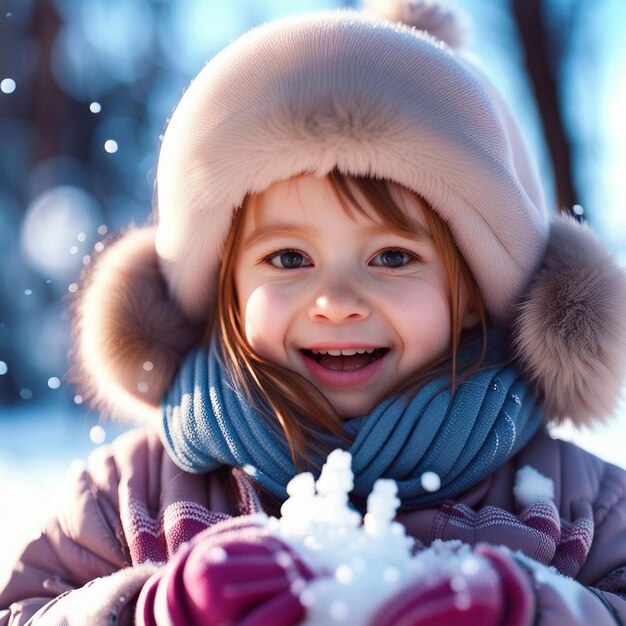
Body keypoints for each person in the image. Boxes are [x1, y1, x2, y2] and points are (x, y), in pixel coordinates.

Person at [2, 1, 626, 624]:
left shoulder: (575, 503)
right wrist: (154, 609)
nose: (335, 302)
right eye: (289, 258)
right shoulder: (135, 496)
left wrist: (537, 610)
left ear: (471, 296)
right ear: (224, 286)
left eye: (390, 255)